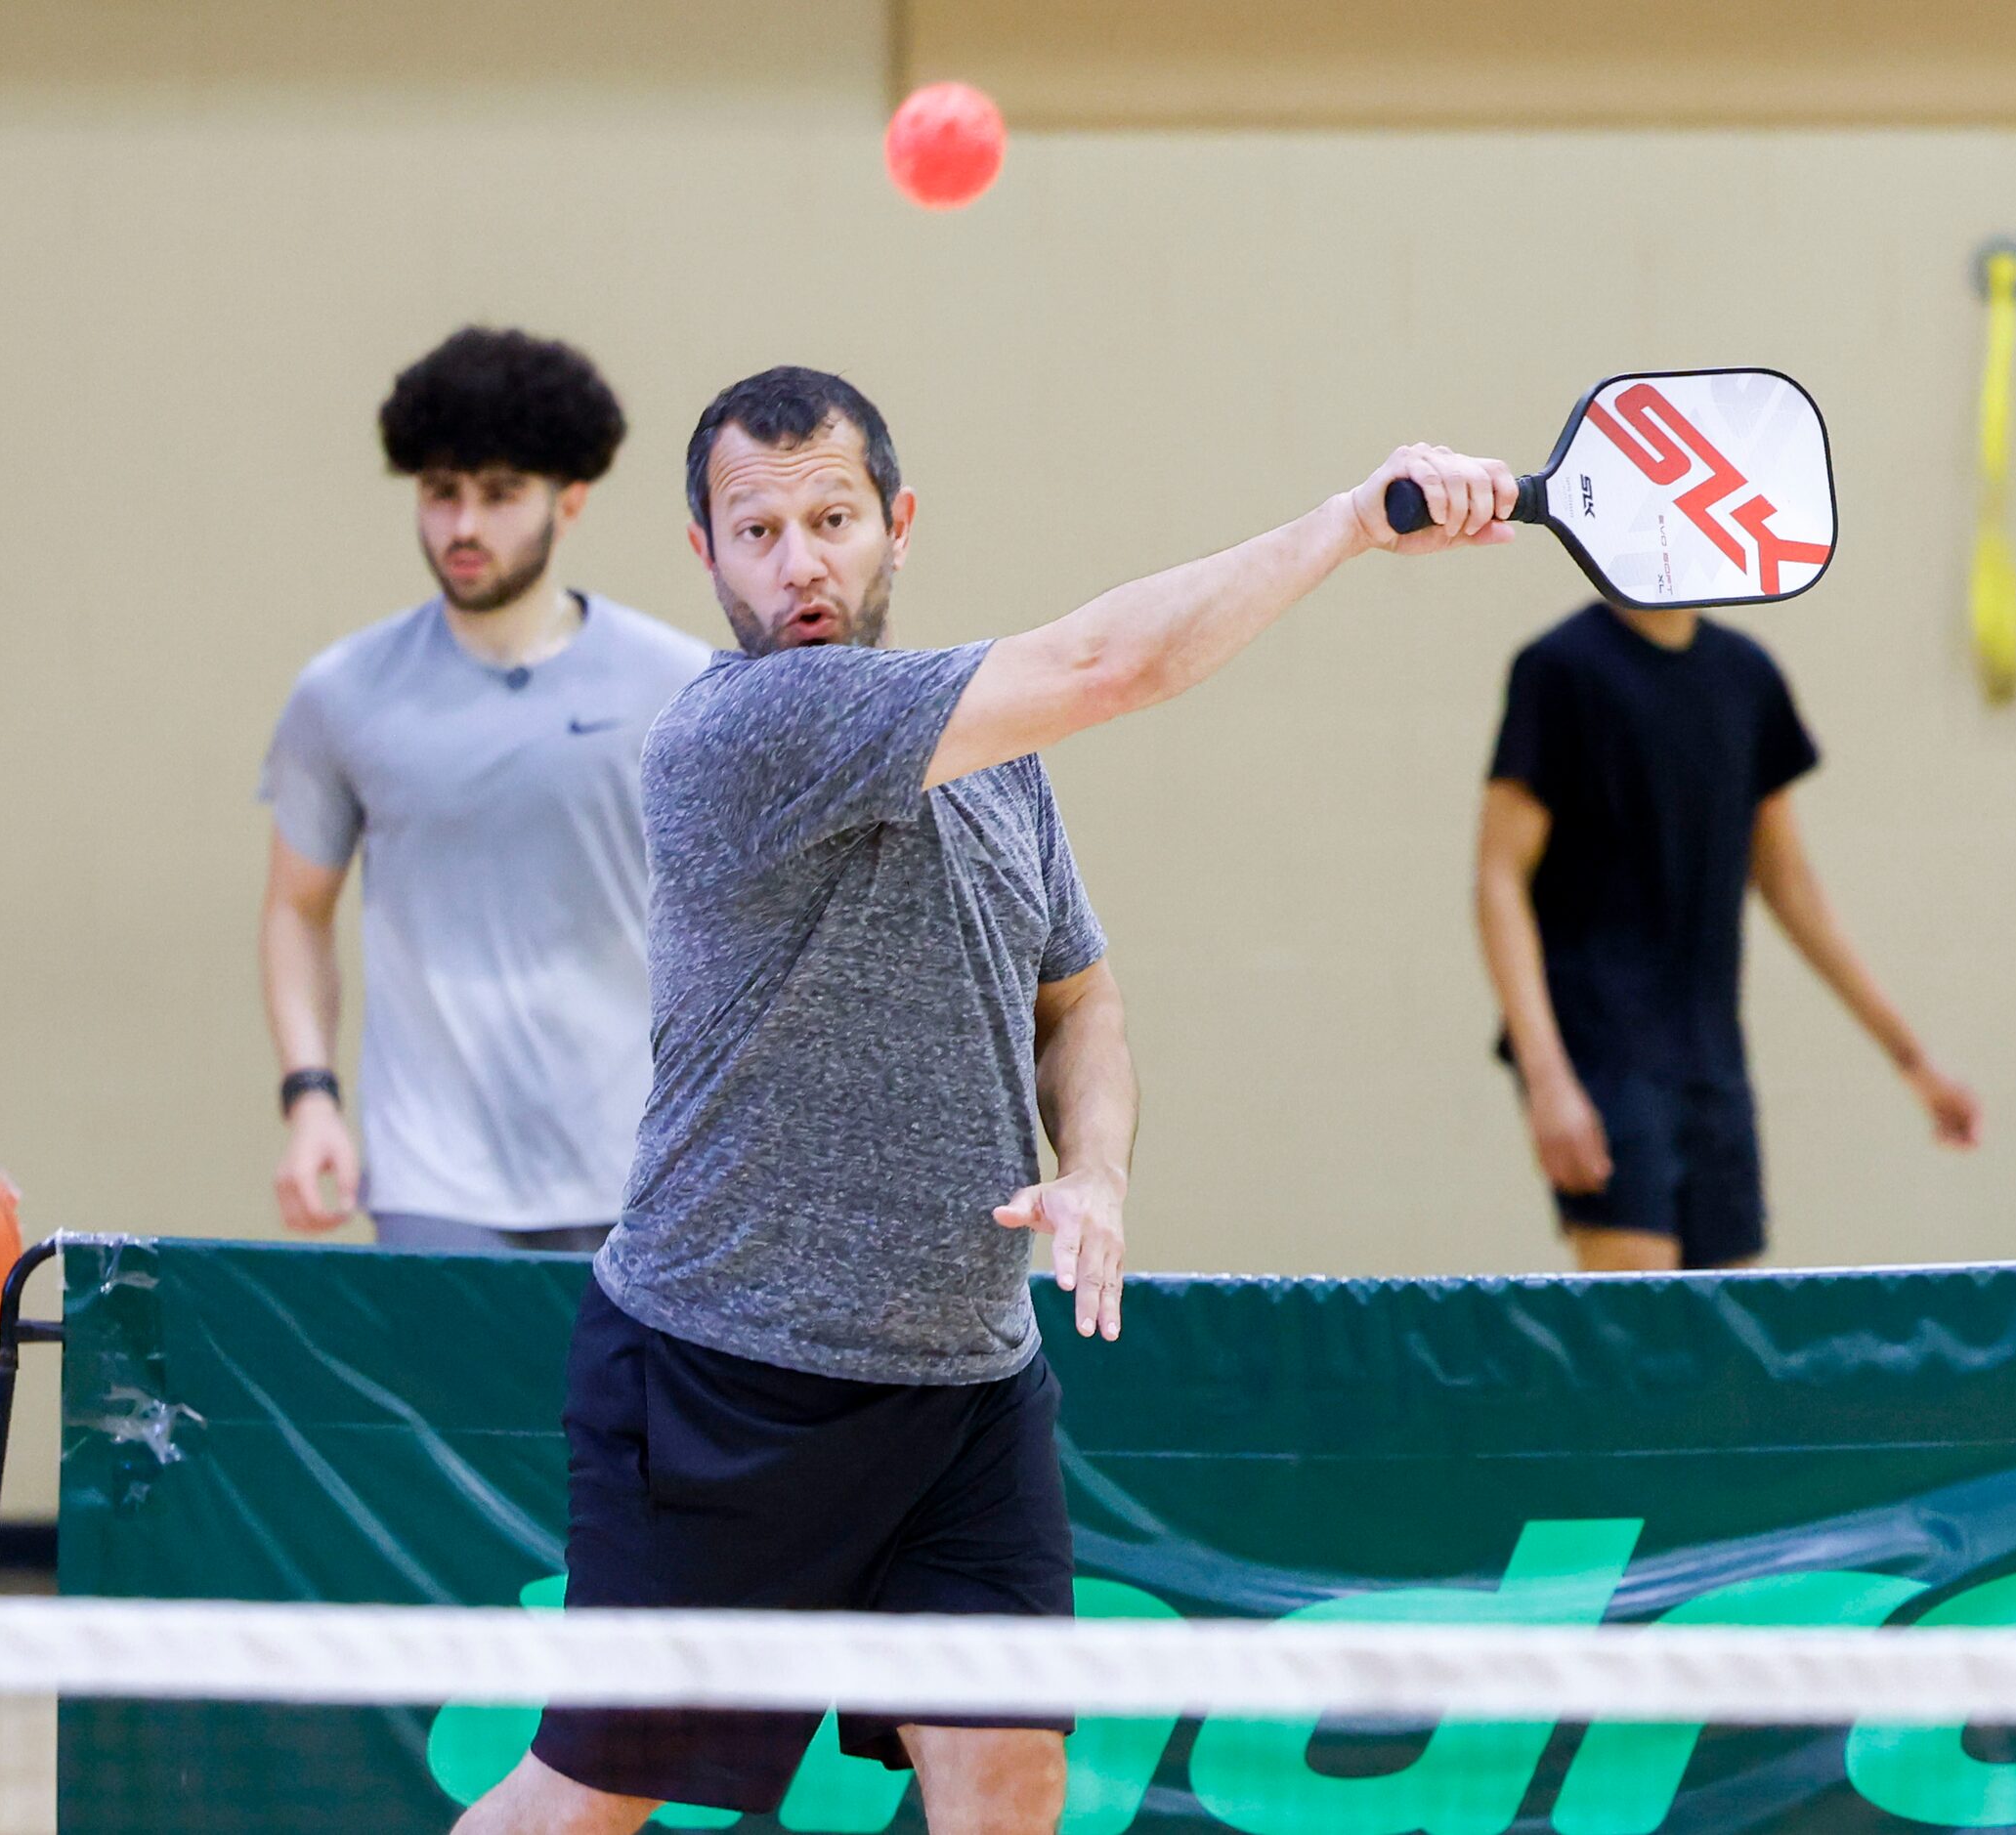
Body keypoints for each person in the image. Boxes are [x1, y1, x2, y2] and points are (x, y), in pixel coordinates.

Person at [453, 366, 1518, 1835]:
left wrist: (1092, 1167)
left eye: (831, 517)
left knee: (1010, 1780)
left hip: (962, 1391)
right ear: (702, 556)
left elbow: (1079, 1000)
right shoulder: (743, 734)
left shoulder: (995, 763)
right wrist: (1346, 520)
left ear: (898, 523)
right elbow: (1109, 666)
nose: (798, 561)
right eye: (755, 532)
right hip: (720, 1382)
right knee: (583, 1802)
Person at [260, 327, 708, 1254]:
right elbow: (296, 910)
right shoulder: (344, 693)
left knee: (623, 1410)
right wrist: (311, 1100)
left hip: (640, 1168)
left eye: (499, 494)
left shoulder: (679, 684)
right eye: (440, 494)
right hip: (435, 1178)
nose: (463, 527)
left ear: (570, 498)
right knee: (457, 1405)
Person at [1474, 600, 1982, 1273]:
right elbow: (1498, 878)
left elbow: (1789, 885)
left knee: (1723, 1338)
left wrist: (1911, 1059)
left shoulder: (1747, 675)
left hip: (1712, 1055)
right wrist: (1547, 1079)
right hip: (1601, 1050)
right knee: (1639, 1340)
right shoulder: (1560, 668)